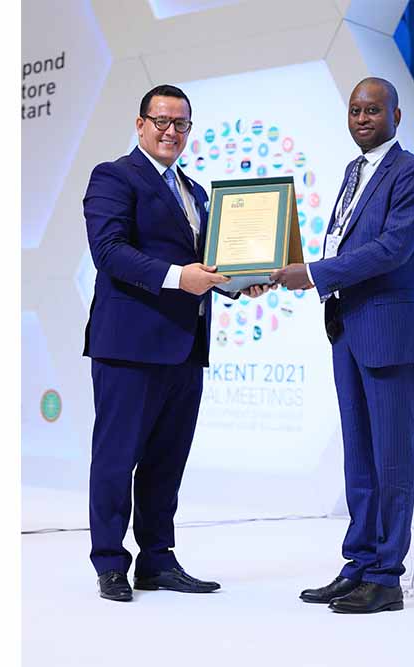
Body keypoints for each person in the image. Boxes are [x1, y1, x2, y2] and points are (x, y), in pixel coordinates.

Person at [82, 84, 263, 602]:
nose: (170, 131)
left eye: (180, 123)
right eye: (161, 121)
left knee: (167, 461)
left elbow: (207, 265)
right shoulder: (114, 176)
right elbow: (109, 251)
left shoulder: (196, 192)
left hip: (184, 347)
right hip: (128, 346)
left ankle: (158, 560)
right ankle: (110, 564)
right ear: (140, 124)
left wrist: (238, 282)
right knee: (116, 459)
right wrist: (180, 277)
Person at [270, 77, 414, 614]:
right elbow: (345, 237)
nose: (362, 119)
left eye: (373, 110)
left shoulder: (410, 171)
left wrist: (314, 273)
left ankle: (386, 577)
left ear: (396, 116)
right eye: (355, 110)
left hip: (389, 332)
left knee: (391, 459)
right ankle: (360, 564)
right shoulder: (353, 171)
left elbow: (392, 249)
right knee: (359, 458)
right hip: (348, 327)